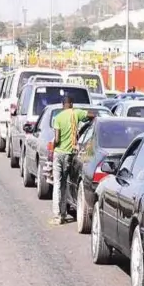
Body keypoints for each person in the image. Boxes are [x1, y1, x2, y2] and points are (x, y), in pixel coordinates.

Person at [50, 96, 95, 225]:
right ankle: (63, 213)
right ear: (71, 104)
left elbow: (57, 139)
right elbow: (92, 115)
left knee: (57, 184)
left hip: (58, 153)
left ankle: (58, 216)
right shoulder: (76, 113)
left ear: (62, 104)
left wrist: (54, 145)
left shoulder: (58, 117)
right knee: (65, 183)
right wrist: (88, 123)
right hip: (70, 154)